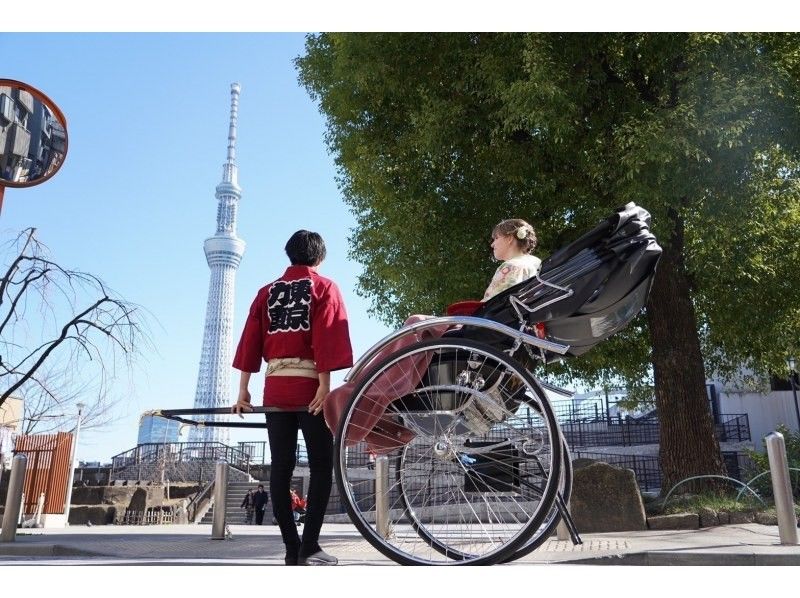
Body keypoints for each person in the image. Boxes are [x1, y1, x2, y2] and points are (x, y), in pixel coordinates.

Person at [323, 218, 540, 453]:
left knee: (415, 324)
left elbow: (491, 307)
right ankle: (382, 388)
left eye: (496, 238)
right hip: (502, 335)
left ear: (510, 237)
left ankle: (369, 389)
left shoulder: (512, 267)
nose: (492, 244)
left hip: (484, 332)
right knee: (419, 326)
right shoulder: (535, 265)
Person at [231, 230, 353, 566]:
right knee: (321, 465)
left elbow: (250, 340)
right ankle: (309, 546)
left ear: (289, 255)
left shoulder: (266, 292)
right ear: (320, 257)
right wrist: (324, 387)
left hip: (275, 388)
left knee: (281, 468)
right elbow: (328, 334)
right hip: (310, 387)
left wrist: (243, 390)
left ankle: (290, 548)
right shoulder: (325, 287)